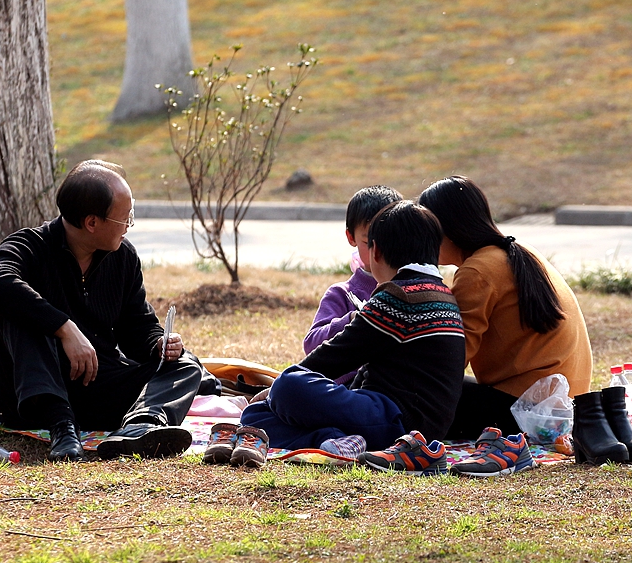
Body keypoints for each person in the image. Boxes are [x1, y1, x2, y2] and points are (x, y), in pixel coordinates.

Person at [0, 160, 203, 462]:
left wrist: (158, 344)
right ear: (92, 223)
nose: (129, 226)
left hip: (94, 386)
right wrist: (64, 328)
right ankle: (62, 427)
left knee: (186, 365)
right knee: (17, 310)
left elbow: (138, 327)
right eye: (124, 218)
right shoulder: (31, 246)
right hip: (31, 394)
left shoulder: (123, 257)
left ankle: (141, 425)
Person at [238, 201, 466, 454]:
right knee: (256, 416)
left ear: (376, 252)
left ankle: (335, 437)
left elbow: (336, 356)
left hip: (396, 421)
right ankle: (334, 440)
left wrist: (278, 386)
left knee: (289, 386)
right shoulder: (443, 294)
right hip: (419, 425)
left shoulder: (399, 296)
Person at [418, 175, 592, 438]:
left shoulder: (477, 271)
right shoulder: (521, 251)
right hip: (568, 407)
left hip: (527, 414)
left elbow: (452, 358)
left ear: (448, 229)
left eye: (427, 230)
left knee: (415, 391)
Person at [303, 185, 403, 355]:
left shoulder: (412, 289)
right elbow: (311, 344)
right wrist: (352, 319)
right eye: (368, 242)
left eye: (389, 239)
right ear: (351, 237)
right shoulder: (342, 294)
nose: (379, 250)